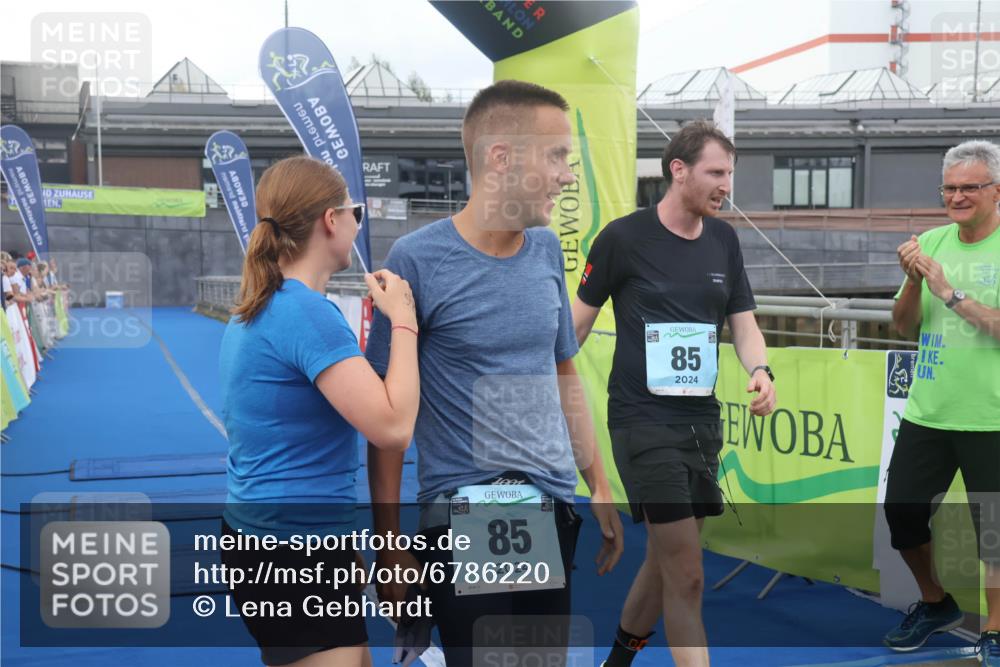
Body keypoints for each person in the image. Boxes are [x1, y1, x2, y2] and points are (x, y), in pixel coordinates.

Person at [365, 79, 624, 667]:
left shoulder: (544, 250)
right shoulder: (415, 259)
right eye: (556, 155)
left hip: (551, 502)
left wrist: (598, 484)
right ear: (501, 158)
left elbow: (563, 374)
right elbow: (385, 418)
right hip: (469, 507)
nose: (566, 174)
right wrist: (388, 548)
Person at [572, 120, 777, 667]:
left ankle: (616, 661)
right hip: (641, 421)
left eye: (729, 173)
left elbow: (744, 323)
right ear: (678, 170)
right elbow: (575, 328)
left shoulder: (723, 239)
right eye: (716, 172)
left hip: (700, 422)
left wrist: (761, 370)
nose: (725, 184)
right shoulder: (622, 237)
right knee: (687, 574)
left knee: (665, 562)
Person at [218, 155, 420, 667]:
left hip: (278, 540)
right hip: (291, 549)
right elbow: (393, 427)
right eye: (356, 211)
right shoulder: (306, 313)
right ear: (331, 220)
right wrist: (404, 320)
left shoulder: (257, 308)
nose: (358, 223)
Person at [885, 139, 1000, 664]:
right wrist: (914, 284)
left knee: (993, 534)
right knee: (900, 514)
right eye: (949, 188)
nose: (956, 197)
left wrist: (950, 292)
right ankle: (935, 603)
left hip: (991, 415)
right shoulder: (930, 241)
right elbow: (904, 326)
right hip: (928, 412)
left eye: (968, 188)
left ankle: (994, 632)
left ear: (995, 191)